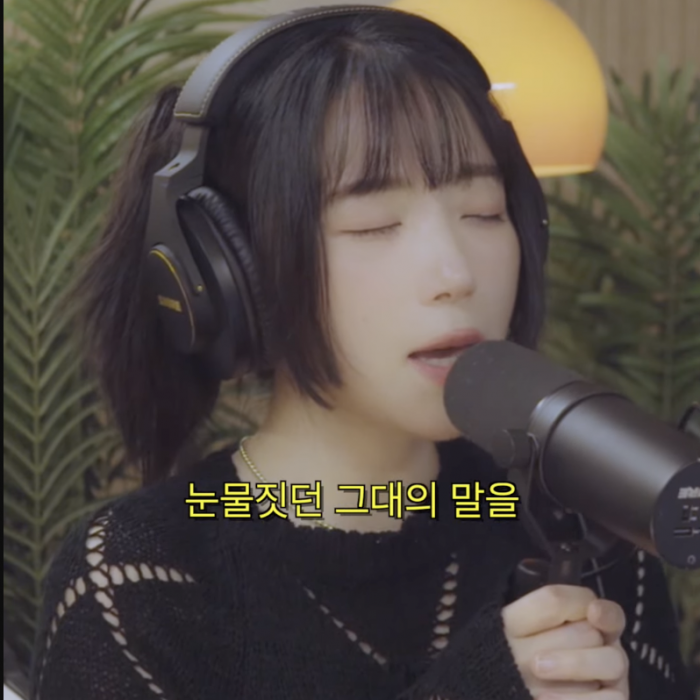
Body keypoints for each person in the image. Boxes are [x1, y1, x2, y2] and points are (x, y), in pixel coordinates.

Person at [30, 6, 694, 700]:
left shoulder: (579, 526)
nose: (456, 274)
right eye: (375, 225)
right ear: (233, 273)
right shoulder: (138, 581)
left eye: (483, 213)